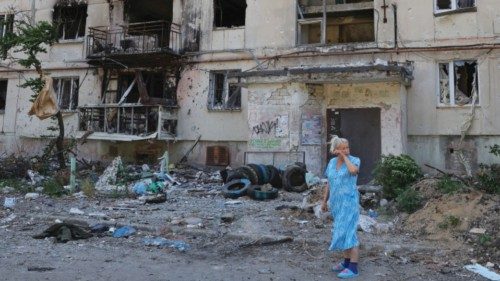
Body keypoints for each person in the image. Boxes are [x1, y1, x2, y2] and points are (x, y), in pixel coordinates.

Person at [321, 135, 361, 279]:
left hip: (349, 203)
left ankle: (354, 268)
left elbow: (353, 171)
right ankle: (346, 262)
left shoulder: (355, 160)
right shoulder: (331, 162)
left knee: (350, 233)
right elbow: (329, 183)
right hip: (336, 204)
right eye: (343, 148)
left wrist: (344, 157)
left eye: (347, 147)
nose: (346, 150)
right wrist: (324, 201)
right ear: (336, 149)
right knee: (342, 232)